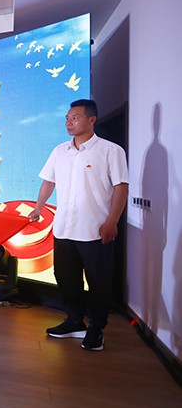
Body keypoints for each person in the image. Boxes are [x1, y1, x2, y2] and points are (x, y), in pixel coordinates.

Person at [29, 99, 128, 351]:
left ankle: (96, 328)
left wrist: (112, 221)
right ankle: (75, 321)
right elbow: (48, 181)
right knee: (65, 277)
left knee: (98, 281)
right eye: (67, 118)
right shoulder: (59, 151)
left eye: (75, 118)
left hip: (95, 229)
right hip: (64, 228)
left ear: (91, 120)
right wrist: (39, 207)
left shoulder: (110, 150)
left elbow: (121, 187)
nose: (69, 122)